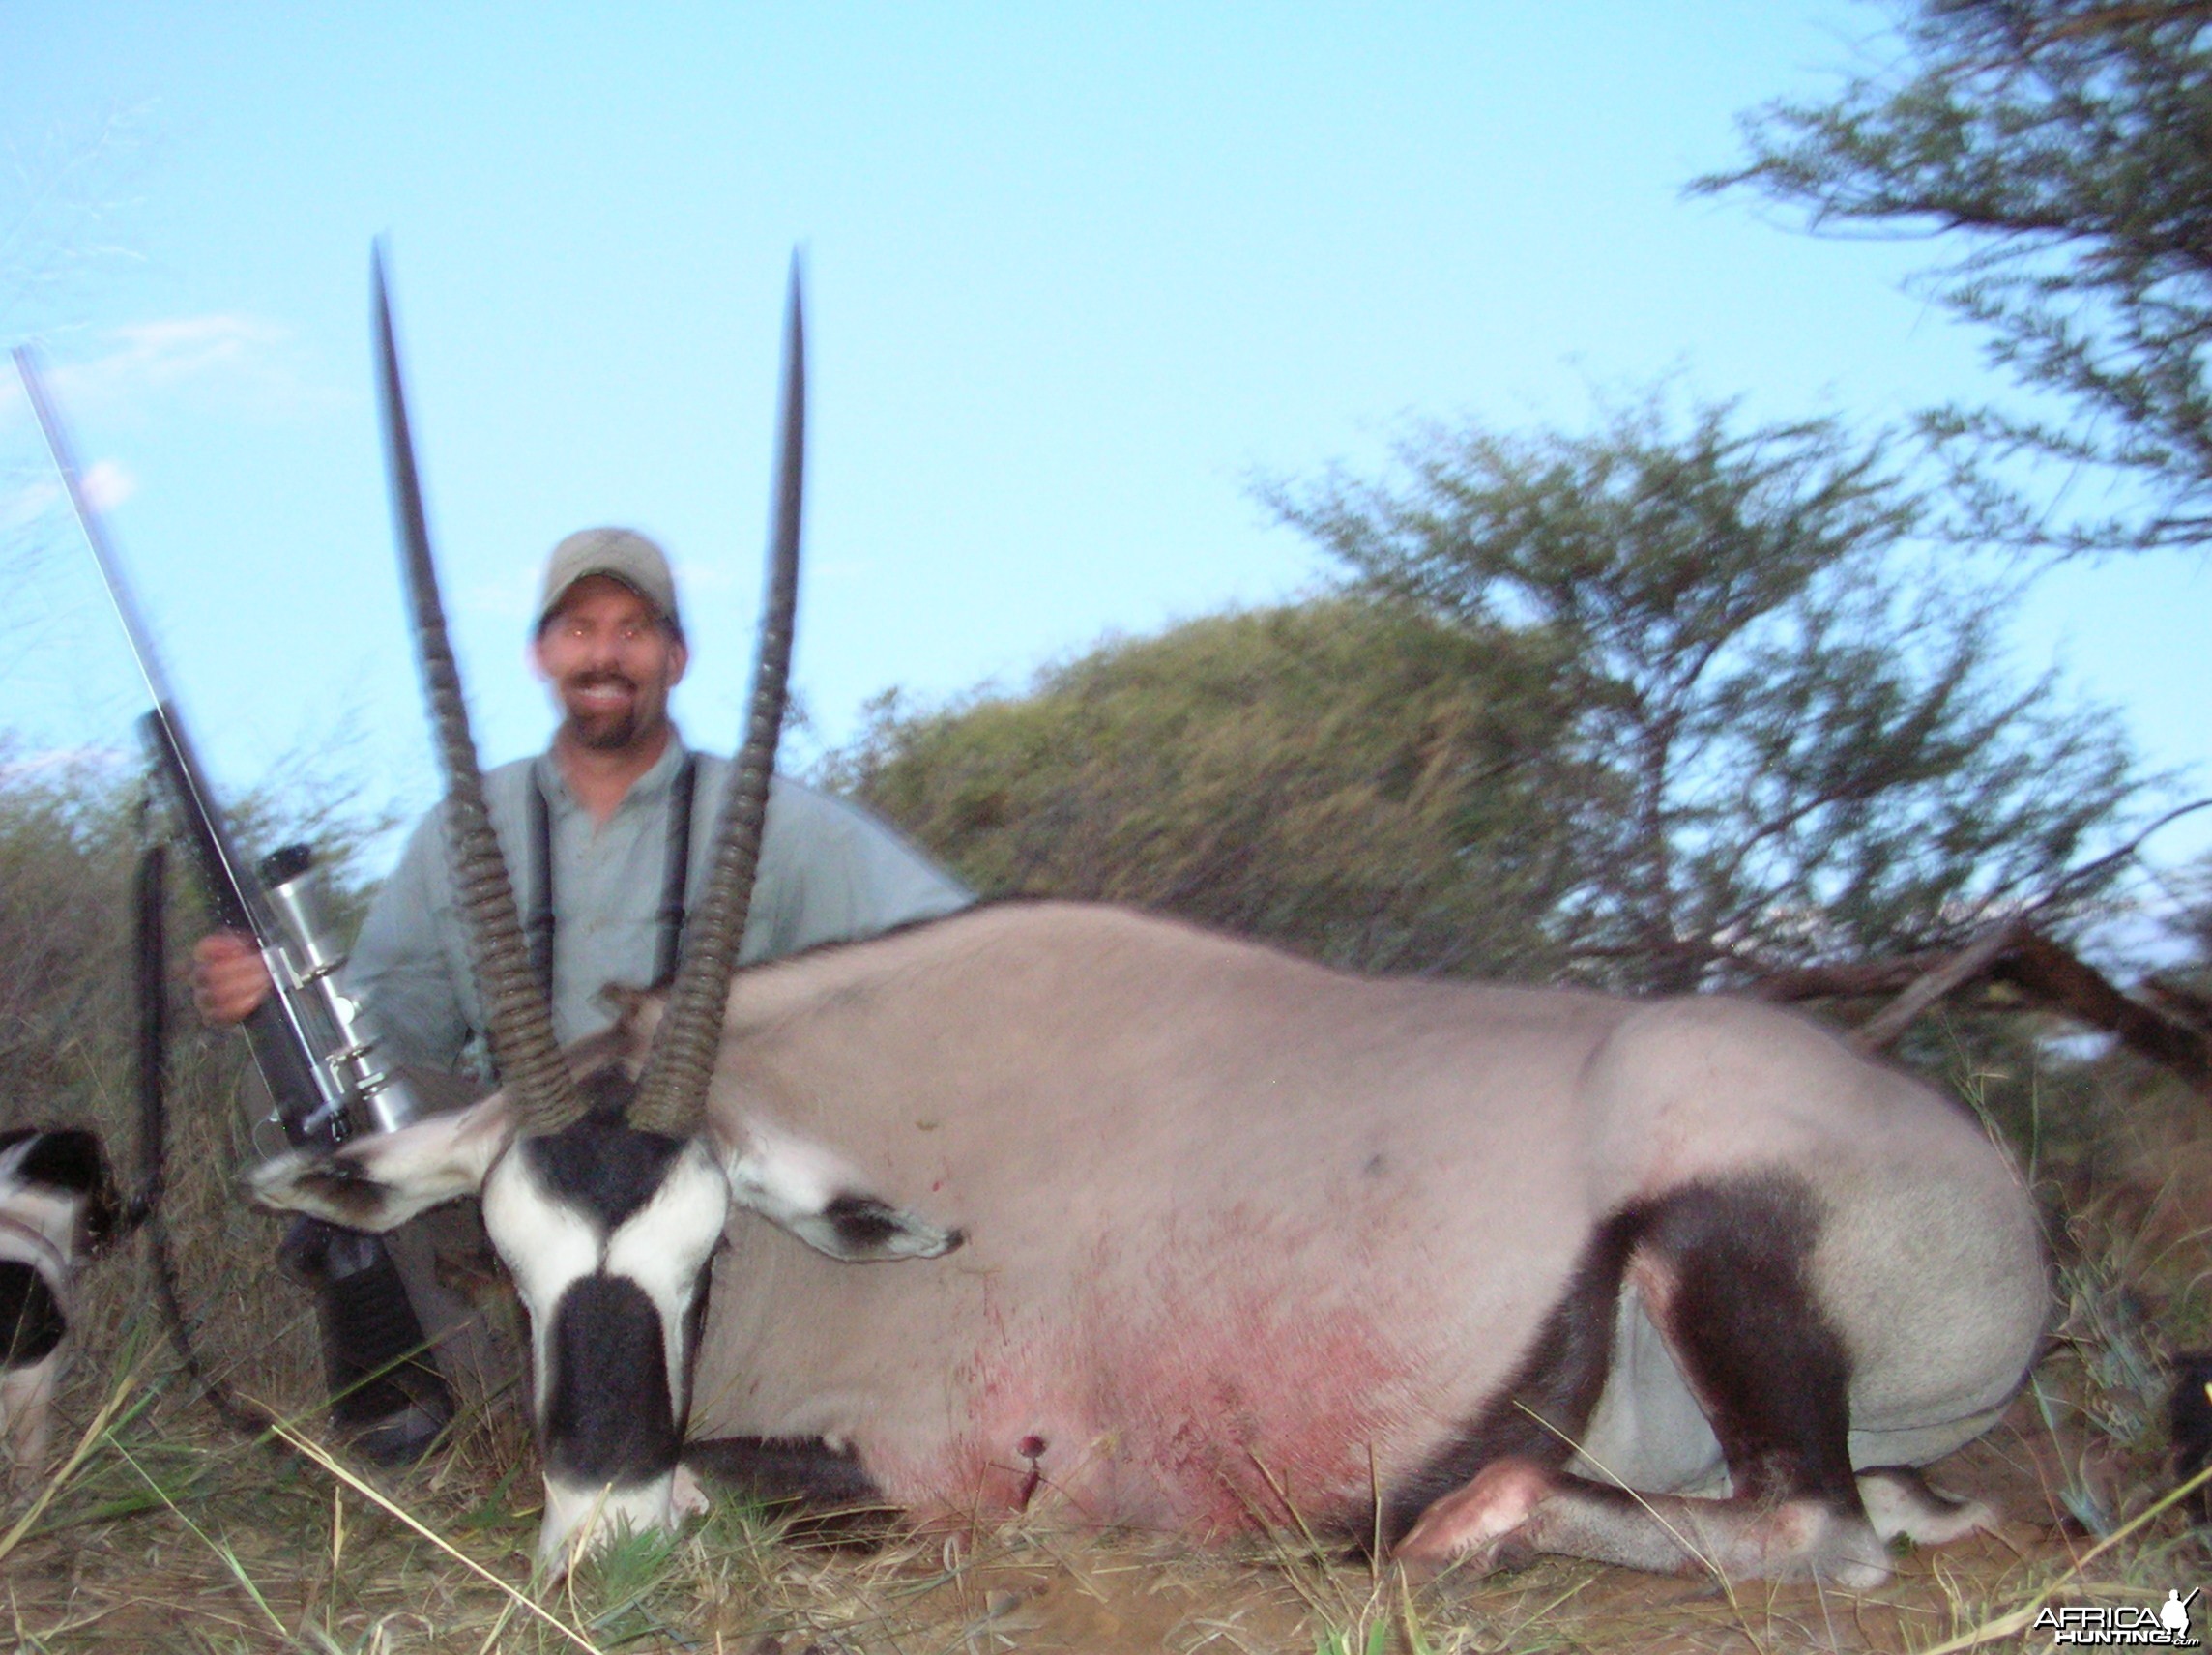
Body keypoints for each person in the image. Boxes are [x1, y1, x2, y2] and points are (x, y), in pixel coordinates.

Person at [192, 526, 971, 1456]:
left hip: (709, 1194)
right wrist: (271, 1003)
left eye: (634, 629)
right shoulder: (464, 831)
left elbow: (950, 950)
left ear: (675, 657)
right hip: (526, 1186)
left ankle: (736, 1394)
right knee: (305, 1095)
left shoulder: (780, 823)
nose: (605, 654)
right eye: (580, 629)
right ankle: (428, 1390)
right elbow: (386, 1021)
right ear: (542, 654)